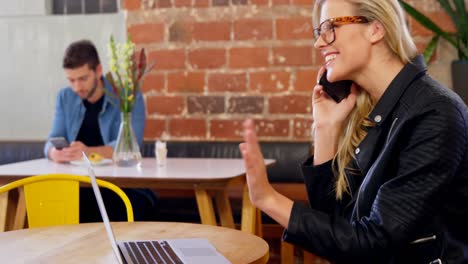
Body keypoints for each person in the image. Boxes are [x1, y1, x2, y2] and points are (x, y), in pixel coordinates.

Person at [239, 0, 468, 262]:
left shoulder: (434, 113)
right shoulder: (385, 112)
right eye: (319, 32)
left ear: (375, 30)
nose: (319, 43)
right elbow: (339, 227)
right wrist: (326, 129)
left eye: (330, 27)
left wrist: (268, 199)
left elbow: (373, 243)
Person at [44, 39, 157, 222]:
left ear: (98, 71)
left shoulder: (128, 96)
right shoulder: (65, 97)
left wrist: (87, 152)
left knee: (130, 205)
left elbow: (131, 146)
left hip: (120, 186)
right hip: (78, 186)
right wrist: (54, 152)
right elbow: (51, 141)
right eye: (71, 80)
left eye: (83, 79)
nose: (77, 87)